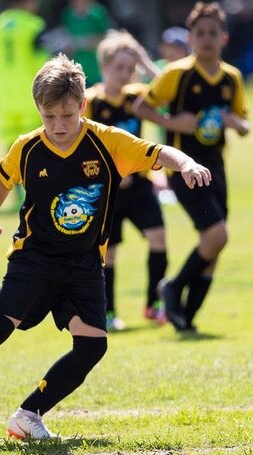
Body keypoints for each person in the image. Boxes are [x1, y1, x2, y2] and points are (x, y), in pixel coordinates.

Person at [0, 53, 211, 441]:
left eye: (67, 115)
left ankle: (29, 415)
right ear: (38, 111)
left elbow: (157, 152)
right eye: (49, 117)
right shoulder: (27, 148)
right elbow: (3, 177)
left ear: (82, 104)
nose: (58, 126)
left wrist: (188, 163)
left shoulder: (107, 142)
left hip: (83, 265)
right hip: (35, 258)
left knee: (93, 346)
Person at [133, 2, 250, 332]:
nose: (207, 39)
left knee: (214, 246)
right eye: (200, 33)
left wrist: (234, 122)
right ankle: (171, 288)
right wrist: (172, 122)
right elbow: (142, 107)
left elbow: (245, 121)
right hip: (184, 169)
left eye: (213, 33)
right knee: (217, 235)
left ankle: (186, 318)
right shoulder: (176, 74)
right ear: (191, 37)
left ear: (223, 38)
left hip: (217, 167)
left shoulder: (231, 77)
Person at [84, 30, 166, 331]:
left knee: (158, 237)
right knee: (110, 252)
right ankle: (108, 312)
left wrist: (143, 60)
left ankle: (154, 304)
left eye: (130, 69)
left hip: (140, 183)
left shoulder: (136, 98)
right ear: (104, 67)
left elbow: (168, 90)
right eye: (118, 67)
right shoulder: (91, 102)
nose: (125, 74)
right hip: (107, 190)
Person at [0, 0, 50, 208]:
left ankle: (17, 197)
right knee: (38, 146)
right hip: (30, 95)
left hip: (4, 98)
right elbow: (43, 60)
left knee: (11, 147)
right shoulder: (33, 25)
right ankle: (39, 193)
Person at [61, 0, 110, 86]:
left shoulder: (98, 13)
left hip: (96, 71)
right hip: (76, 70)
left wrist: (85, 42)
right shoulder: (67, 14)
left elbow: (106, 39)